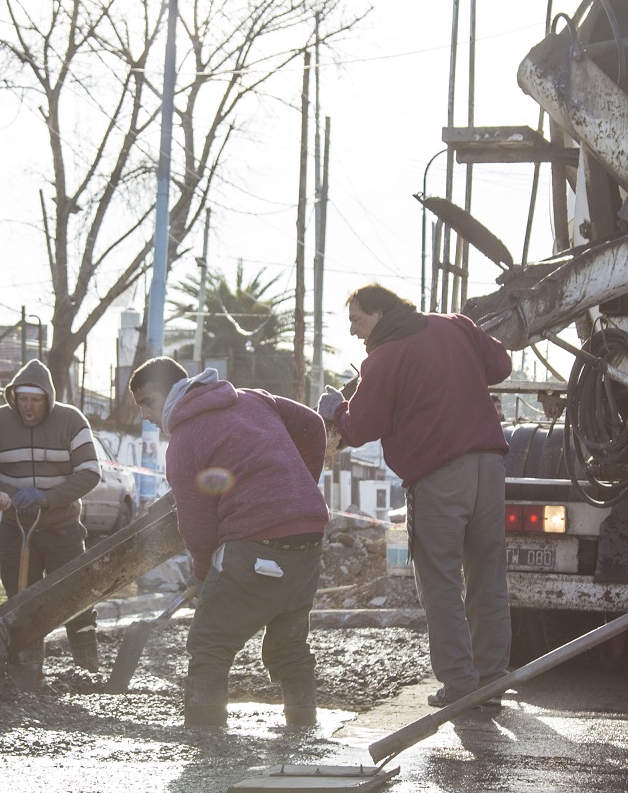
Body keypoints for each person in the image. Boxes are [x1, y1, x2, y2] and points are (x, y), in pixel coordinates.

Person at [319, 283, 512, 711]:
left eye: (357, 320)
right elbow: (500, 364)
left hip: (440, 475)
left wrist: (335, 407)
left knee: (440, 580)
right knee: (487, 576)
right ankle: (493, 682)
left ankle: (461, 685)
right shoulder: (454, 325)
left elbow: (360, 426)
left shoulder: (383, 357)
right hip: (490, 466)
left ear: (381, 313)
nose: (353, 331)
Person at [129, 356, 329, 728]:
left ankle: (206, 748)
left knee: (209, 644)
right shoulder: (250, 398)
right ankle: (303, 733)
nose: (144, 414)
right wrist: (298, 487)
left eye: (148, 402)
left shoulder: (184, 441)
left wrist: (204, 575)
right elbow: (313, 425)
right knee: (290, 645)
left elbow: (196, 524)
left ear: (173, 390)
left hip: (256, 541)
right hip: (309, 533)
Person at [0, 358, 104, 670]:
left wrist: (47, 498)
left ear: (48, 398)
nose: (28, 407)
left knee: (77, 598)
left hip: (63, 528)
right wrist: (7, 492)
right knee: (21, 601)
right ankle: (27, 675)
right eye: (22, 399)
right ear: (13, 396)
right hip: (13, 529)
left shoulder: (71, 421)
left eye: (35, 400)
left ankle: (88, 672)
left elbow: (90, 472)